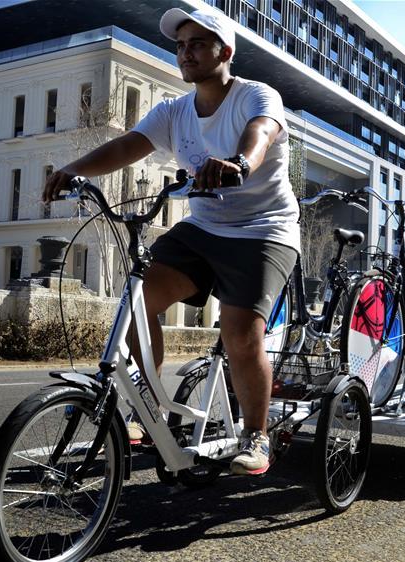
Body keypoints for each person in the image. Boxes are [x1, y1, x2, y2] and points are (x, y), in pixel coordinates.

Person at [43, 7, 299, 475]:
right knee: (138, 305)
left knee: (240, 333)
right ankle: (150, 407)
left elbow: (260, 135)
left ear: (226, 51)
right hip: (203, 228)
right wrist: (74, 170)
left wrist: (239, 163)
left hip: (264, 230)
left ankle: (257, 436)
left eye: (198, 44)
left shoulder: (256, 96)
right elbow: (127, 146)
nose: (186, 53)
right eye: (180, 46)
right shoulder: (174, 111)